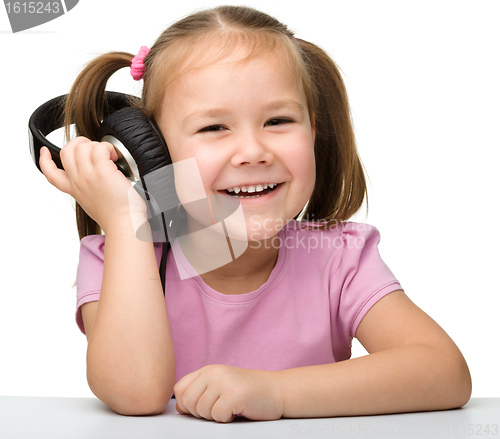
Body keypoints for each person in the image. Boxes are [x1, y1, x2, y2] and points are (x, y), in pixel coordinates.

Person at [38, 5, 471, 422]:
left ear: (313, 130)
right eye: (213, 127)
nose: (253, 152)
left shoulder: (340, 259)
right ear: (154, 157)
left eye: (278, 120)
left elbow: (444, 372)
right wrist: (123, 218)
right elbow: (135, 393)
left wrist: (276, 392)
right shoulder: (117, 259)